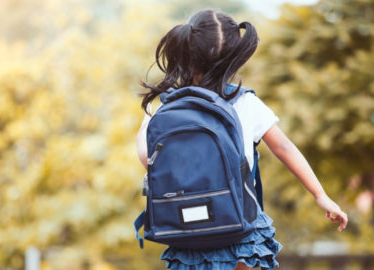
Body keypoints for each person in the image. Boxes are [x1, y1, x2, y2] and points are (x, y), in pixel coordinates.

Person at [135, 8, 348, 270]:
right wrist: (320, 194)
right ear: (233, 59)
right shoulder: (245, 102)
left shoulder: (168, 107)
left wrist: (148, 120)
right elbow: (284, 147)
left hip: (185, 230)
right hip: (238, 224)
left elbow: (149, 161)